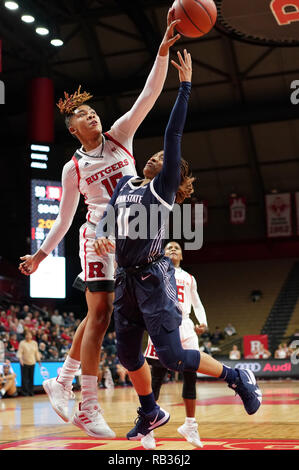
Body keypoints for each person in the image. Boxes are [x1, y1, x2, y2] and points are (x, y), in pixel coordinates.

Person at [18, 10, 181, 438]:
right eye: (85, 115)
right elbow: (66, 218)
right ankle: (87, 404)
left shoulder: (121, 135)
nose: (93, 117)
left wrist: (161, 51)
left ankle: (64, 380)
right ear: (72, 129)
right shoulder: (73, 168)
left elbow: (147, 95)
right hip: (97, 237)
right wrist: (40, 254)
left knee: (104, 316)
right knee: (102, 312)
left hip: (131, 237)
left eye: (94, 112)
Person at [94, 49, 262, 442]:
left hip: (154, 277)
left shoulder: (162, 188)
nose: (154, 157)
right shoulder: (123, 184)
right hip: (125, 279)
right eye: (151, 155)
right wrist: (105, 237)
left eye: (161, 158)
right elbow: (113, 222)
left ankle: (237, 375)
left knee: (170, 357)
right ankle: (151, 411)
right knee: (129, 357)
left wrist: (185, 87)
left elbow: (172, 135)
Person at [142, 240, 207, 449]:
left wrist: (202, 321)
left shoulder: (189, 278)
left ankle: (190, 425)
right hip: (162, 323)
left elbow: (196, 302)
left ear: (182, 255)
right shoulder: (155, 271)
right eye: (168, 247)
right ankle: (147, 428)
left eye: (176, 248)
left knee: (191, 375)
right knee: (156, 379)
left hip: (186, 325)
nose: (172, 249)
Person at [17, 331, 41, 396]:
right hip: (24, 363)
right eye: (26, 335)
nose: (28, 336)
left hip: (32, 362)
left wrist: (38, 360)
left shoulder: (34, 343)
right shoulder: (22, 343)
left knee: (31, 378)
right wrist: (20, 360)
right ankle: (24, 392)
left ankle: (31, 391)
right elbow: (20, 352)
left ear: (31, 336)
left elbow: (36, 352)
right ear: (25, 336)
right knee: (24, 378)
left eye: (29, 335)